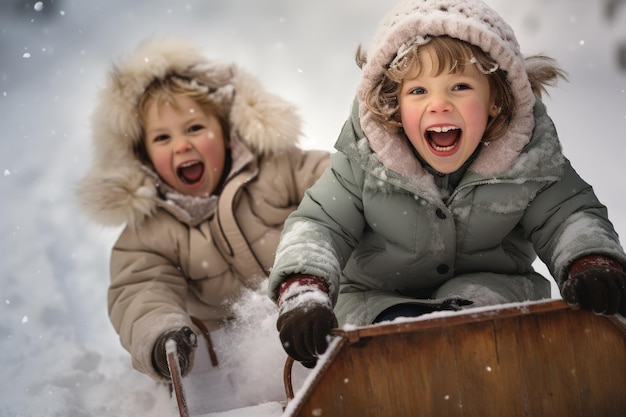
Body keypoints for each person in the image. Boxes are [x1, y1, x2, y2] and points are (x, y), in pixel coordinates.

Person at [268, 0, 626, 368]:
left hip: (489, 296)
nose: (438, 105)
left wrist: (590, 261)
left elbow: (567, 215)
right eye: (418, 91)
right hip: (380, 300)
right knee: (392, 347)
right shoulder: (366, 160)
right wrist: (303, 288)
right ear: (393, 105)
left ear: (496, 100)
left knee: (481, 333)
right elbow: (320, 224)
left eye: (459, 86)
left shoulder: (527, 159)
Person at [77, 37, 329, 382]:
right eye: (162, 138)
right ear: (143, 156)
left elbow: (338, 186)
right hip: (233, 358)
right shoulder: (149, 230)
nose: (182, 145)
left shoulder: (277, 169)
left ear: (226, 133)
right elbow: (141, 288)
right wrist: (162, 333)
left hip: (314, 317)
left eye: (195, 128)